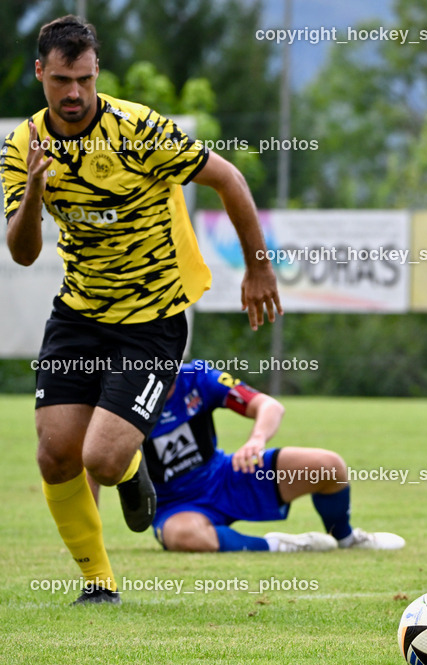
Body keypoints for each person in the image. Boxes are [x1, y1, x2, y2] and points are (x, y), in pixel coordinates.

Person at [1, 16, 281, 605]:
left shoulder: (138, 129)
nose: (73, 93)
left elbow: (228, 179)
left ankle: (129, 471)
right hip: (79, 315)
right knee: (55, 455)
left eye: (82, 78)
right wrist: (32, 193)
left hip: (150, 320)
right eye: (60, 80)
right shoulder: (22, 146)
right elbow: (22, 254)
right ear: (40, 74)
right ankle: (99, 585)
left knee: (100, 459)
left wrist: (258, 267)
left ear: (96, 69)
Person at [127, 361, 405, 554]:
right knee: (185, 536)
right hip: (175, 506)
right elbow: (95, 460)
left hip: (225, 475)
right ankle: (281, 545)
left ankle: (346, 539)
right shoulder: (123, 398)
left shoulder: (198, 377)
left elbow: (269, 405)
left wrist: (256, 440)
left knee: (329, 467)